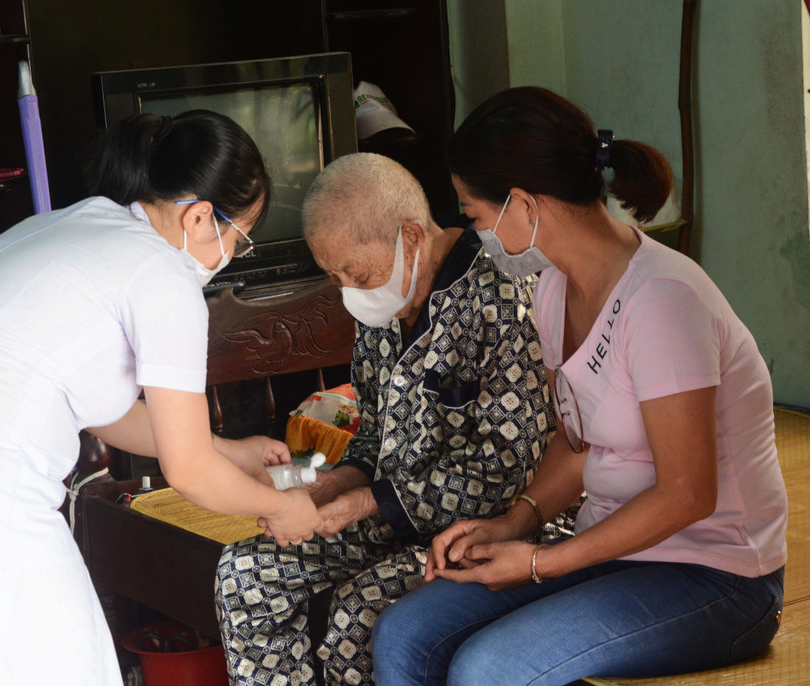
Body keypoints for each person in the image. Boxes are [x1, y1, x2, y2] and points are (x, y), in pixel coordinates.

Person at [0, 111, 322, 686]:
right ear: (200, 216)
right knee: (65, 665)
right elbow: (188, 471)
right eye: (239, 240)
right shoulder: (163, 276)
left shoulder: (77, 223)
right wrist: (280, 507)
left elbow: (107, 411)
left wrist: (232, 450)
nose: (233, 256)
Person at [372, 86, 788, 686]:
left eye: (475, 214)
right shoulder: (553, 289)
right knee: (405, 635)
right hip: (613, 551)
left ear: (523, 203)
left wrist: (541, 561)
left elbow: (689, 493)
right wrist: (515, 523)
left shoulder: (663, 301)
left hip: (715, 578)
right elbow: (576, 443)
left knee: (488, 670)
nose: (476, 232)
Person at [215, 152, 566, 686]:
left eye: (356, 273)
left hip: (492, 527)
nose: (349, 290)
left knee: (359, 614)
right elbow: (375, 432)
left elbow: (507, 469)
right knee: (244, 576)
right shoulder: (381, 305)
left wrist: (366, 502)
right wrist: (335, 486)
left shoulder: (500, 296)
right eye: (334, 276)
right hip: (387, 515)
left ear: (412, 236)